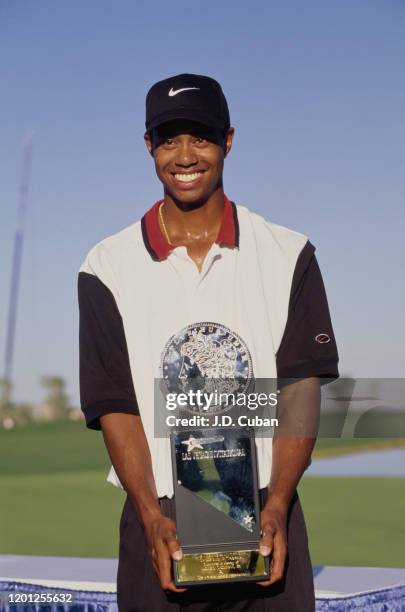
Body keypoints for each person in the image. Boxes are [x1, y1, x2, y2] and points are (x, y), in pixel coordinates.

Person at [78, 73, 339, 611]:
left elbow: (299, 390)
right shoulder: (106, 265)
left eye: (200, 136)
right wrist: (152, 518)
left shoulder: (289, 253)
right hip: (161, 512)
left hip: (268, 509)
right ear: (149, 146)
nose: (185, 155)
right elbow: (116, 405)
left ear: (228, 141)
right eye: (169, 138)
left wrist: (279, 504)